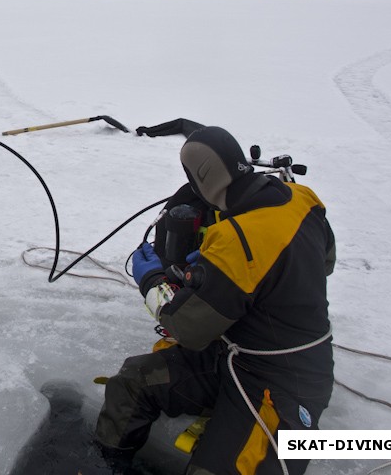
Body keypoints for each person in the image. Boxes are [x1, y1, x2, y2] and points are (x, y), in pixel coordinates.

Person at [95, 126, 336, 475]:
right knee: (134, 381)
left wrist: (151, 281)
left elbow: (187, 327)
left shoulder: (236, 237)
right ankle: (106, 466)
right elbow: (325, 261)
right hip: (234, 352)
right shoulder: (302, 198)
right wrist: (225, 277)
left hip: (284, 380)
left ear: (200, 179)